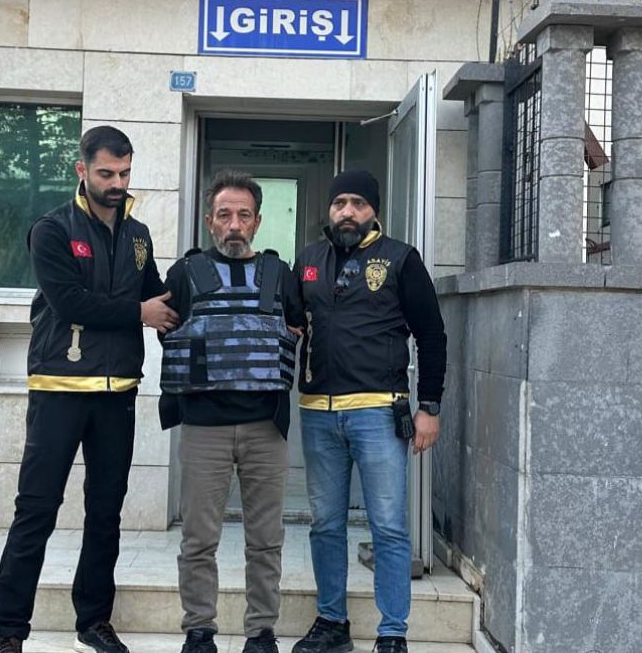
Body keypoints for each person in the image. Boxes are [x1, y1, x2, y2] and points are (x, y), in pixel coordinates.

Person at [0, 125, 178, 653]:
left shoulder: (138, 235)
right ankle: (9, 631)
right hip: (59, 387)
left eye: (124, 173)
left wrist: (202, 296)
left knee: (106, 512)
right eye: (106, 173)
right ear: (82, 170)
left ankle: (93, 623)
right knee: (36, 509)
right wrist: (139, 313)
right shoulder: (51, 229)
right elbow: (70, 301)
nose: (117, 183)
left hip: (118, 393)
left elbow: (158, 301)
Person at [291, 170, 447, 653]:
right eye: (340, 202)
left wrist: (429, 406)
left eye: (358, 203)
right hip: (317, 413)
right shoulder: (308, 261)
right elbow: (291, 325)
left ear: (373, 210)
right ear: (330, 209)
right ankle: (331, 622)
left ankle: (392, 632)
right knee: (325, 524)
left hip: (378, 412)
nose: (348, 212)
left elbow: (432, 335)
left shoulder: (400, 258)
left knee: (389, 527)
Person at [158, 170, 304, 653]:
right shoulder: (184, 273)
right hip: (204, 428)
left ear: (258, 221)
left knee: (266, 540)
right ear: (209, 221)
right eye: (224, 215)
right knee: (198, 539)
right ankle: (199, 631)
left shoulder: (280, 275)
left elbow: (299, 329)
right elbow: (167, 332)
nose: (234, 224)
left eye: (244, 215)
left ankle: (261, 632)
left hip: (266, 428)